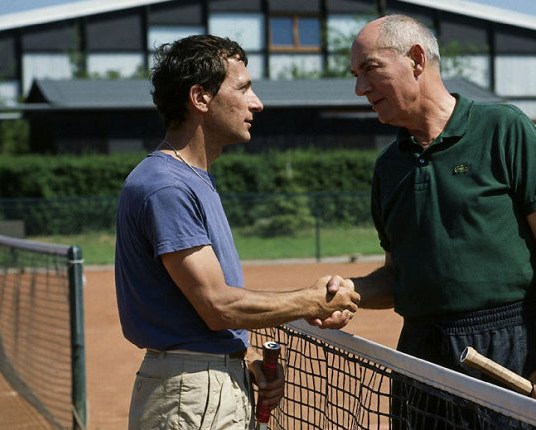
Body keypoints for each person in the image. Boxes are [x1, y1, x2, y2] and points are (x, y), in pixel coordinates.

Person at [331, 13, 536, 418]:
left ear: (415, 59)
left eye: (370, 69)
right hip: (420, 353)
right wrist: (348, 291)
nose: (360, 88)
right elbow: (397, 278)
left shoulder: (504, 128)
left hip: (509, 342)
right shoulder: (388, 165)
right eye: (356, 75)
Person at [114, 35, 360, 430]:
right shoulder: (166, 185)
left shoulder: (192, 180)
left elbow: (200, 318)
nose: (257, 102)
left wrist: (236, 367)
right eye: (243, 88)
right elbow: (218, 306)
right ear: (200, 98)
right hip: (191, 397)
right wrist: (313, 301)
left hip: (204, 386)